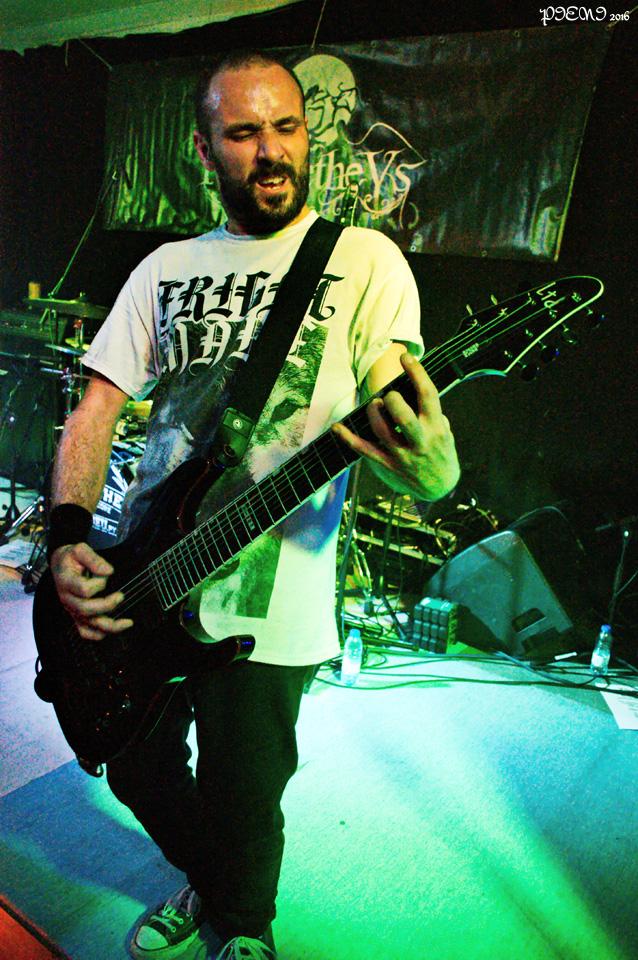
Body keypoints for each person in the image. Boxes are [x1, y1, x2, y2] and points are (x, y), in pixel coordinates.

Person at [47, 50, 460, 960]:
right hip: (146, 571)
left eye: (286, 127)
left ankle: (243, 922)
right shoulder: (166, 266)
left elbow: (401, 413)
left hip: (274, 606)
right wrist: (68, 535)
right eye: (242, 132)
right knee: (137, 766)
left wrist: (435, 473)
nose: (270, 150)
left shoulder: (364, 260)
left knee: (245, 792)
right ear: (205, 150)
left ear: (308, 137)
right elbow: (94, 410)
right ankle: (218, 884)